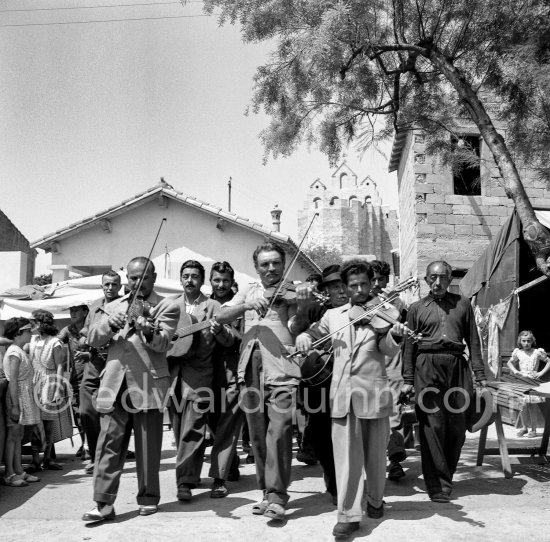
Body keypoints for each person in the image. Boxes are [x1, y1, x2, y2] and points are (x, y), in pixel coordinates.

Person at [296, 260, 407, 539]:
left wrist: (394, 335)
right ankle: (348, 515)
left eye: (363, 285)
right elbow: (313, 333)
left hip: (374, 393)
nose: (359, 290)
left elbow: (388, 349)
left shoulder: (385, 312)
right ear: (345, 288)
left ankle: (375, 499)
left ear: (372, 284)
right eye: (353, 285)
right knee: (346, 461)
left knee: (375, 459)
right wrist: (303, 338)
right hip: (343, 396)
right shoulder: (334, 315)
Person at [82, 257, 179, 522]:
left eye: (144, 277)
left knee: (148, 446)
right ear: (128, 279)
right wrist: (109, 324)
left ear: (154, 278)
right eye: (134, 278)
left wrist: (147, 330)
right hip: (114, 384)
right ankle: (103, 503)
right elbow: (92, 338)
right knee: (107, 446)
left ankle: (148, 498)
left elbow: (163, 344)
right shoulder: (111, 306)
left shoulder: (166, 306)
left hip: (148, 383)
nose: (138, 282)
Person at [218, 241, 298, 521]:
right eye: (265, 264)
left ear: (284, 264)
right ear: (256, 267)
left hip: (281, 368)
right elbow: (220, 314)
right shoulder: (248, 291)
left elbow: (296, 326)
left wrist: (304, 303)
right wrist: (247, 305)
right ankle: (266, 492)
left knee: (280, 432)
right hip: (249, 367)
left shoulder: (294, 292)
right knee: (257, 435)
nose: (271, 268)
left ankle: (278, 495)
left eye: (276, 262)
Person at [401, 260, 487, 504]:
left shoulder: (463, 305)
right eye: (432, 277)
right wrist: (408, 379)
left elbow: (474, 341)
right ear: (426, 280)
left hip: (457, 366)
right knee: (432, 426)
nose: (437, 282)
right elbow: (408, 346)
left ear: (450, 280)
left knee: (458, 427)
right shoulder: (416, 308)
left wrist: (480, 376)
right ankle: (438, 485)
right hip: (426, 366)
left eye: (443, 277)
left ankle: (446, 474)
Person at [167, 260, 234, 502]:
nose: (189, 280)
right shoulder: (170, 305)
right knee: (178, 430)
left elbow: (229, 340)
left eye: (195, 276)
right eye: (185, 275)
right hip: (173, 376)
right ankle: (191, 475)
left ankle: (184, 482)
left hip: (201, 376)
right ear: (180, 278)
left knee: (193, 430)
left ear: (202, 280)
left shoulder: (213, 306)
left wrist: (220, 332)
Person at [290, 264, 349, 505]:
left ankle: (350, 484)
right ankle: (334, 486)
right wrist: (303, 333)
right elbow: (297, 329)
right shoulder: (316, 308)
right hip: (319, 382)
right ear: (326, 290)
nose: (342, 292)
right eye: (335, 287)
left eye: (344, 286)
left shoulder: (360, 309)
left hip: (348, 381)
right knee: (324, 437)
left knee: (348, 437)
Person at [208, 261, 245, 498]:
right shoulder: (205, 305)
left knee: (227, 426)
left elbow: (242, 336)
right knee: (213, 425)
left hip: (233, 370)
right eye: (216, 280)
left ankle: (218, 478)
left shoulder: (240, 305)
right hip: (206, 373)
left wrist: (225, 333)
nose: (221, 285)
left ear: (232, 282)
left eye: (225, 281)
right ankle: (229, 462)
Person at [79, 270, 122, 474]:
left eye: (114, 284)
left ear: (120, 287)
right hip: (95, 363)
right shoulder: (95, 306)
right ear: (102, 285)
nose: (110, 288)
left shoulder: (125, 305)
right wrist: (86, 342)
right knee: (87, 410)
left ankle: (108, 457)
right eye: (107, 284)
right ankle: (96, 454)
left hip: (116, 363)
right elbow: (86, 332)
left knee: (113, 413)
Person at [370, 260, 408, 481]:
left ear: (387, 280)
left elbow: (404, 327)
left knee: (394, 410)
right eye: (373, 279)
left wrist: (394, 303)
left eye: (381, 280)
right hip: (369, 362)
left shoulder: (398, 304)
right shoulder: (361, 302)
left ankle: (394, 460)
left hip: (392, 361)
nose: (376, 284)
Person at [3, 318, 41, 487]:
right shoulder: (14, 353)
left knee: (18, 436)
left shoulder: (19, 351)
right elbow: (12, 381)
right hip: (16, 398)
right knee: (12, 437)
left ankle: (18, 470)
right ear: (19, 333)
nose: (30, 334)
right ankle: (9, 473)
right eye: (27, 331)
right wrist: (15, 406)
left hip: (23, 397)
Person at [29, 309, 66, 472]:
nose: (31, 325)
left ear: (41, 323)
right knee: (34, 422)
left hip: (49, 382)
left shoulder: (55, 342)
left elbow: (59, 366)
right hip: (34, 381)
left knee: (48, 423)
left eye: (34, 322)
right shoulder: (32, 340)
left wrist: (58, 388)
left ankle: (48, 458)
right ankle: (35, 459)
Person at [58, 303, 90, 459]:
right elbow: (55, 342)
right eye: (71, 310)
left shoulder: (93, 326)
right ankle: (85, 444)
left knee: (96, 413)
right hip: (76, 378)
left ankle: (96, 445)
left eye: (76, 310)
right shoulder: (68, 330)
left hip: (96, 376)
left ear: (85, 312)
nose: (73, 313)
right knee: (79, 414)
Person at [507, 330, 550, 437]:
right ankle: (524, 427)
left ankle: (534, 430)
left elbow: (549, 361)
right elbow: (509, 362)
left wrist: (540, 373)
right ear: (520, 341)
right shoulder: (518, 352)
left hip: (533, 381)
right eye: (524, 341)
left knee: (532, 406)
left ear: (532, 342)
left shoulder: (537, 352)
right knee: (522, 405)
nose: (526, 343)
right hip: (522, 381)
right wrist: (516, 371)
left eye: (528, 341)